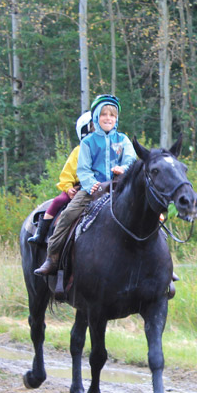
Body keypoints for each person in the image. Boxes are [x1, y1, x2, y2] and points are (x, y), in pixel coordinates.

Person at [34, 94, 136, 276]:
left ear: (116, 119)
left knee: (150, 214)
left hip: (119, 189)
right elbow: (83, 169)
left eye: (112, 115)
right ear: (96, 117)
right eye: (104, 114)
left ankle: (161, 267)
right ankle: (52, 257)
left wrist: (123, 168)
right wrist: (91, 184)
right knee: (67, 215)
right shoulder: (88, 143)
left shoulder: (123, 140)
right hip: (93, 191)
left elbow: (130, 159)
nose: (108, 118)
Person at [27, 111, 93, 245]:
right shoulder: (78, 151)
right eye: (94, 126)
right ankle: (41, 233)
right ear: (85, 130)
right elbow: (67, 174)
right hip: (78, 187)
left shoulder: (109, 149)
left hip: (101, 186)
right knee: (58, 201)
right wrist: (68, 188)